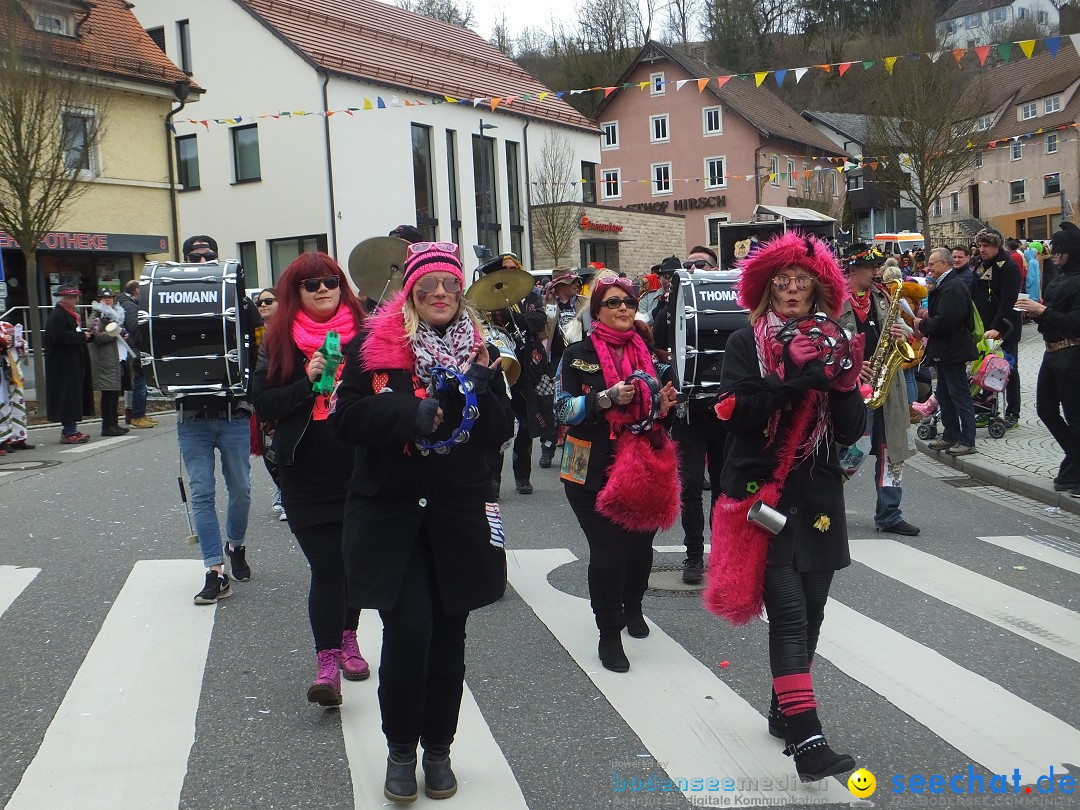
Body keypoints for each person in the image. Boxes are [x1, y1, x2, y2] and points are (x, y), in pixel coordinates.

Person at [329, 242, 514, 803]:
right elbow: (347, 418)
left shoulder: (481, 352)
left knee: (449, 639)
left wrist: (482, 394)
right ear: (409, 293)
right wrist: (407, 413)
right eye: (428, 286)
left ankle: (439, 749)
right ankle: (399, 751)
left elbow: (502, 431)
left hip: (458, 513)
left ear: (462, 294)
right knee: (409, 632)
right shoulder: (374, 347)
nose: (440, 294)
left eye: (450, 287)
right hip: (392, 514)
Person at [706, 231, 865, 783]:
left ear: (819, 289)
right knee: (790, 615)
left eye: (802, 281)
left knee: (814, 611)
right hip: (762, 494)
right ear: (767, 290)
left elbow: (849, 432)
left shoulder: (835, 338)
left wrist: (845, 385)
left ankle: (784, 708)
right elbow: (737, 412)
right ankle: (809, 741)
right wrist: (787, 380)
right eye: (783, 281)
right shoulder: (743, 344)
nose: (793, 289)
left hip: (818, 492)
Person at [252, 253, 370, 706]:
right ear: (295, 292)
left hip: (361, 468)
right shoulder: (278, 341)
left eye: (330, 281)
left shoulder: (367, 336)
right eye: (311, 284)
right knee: (327, 568)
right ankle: (327, 664)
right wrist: (306, 380)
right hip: (305, 473)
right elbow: (262, 401)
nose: (323, 289)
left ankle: (349, 637)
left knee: (352, 563)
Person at [556, 277, 680, 672]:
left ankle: (633, 606)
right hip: (589, 466)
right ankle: (608, 633)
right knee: (609, 552)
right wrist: (605, 398)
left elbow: (666, 415)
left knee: (641, 550)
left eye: (629, 302)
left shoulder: (652, 356)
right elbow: (559, 409)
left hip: (642, 466)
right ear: (597, 312)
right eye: (613, 303)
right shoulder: (576, 355)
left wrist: (664, 404)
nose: (624, 308)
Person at [177, 235, 263, 604]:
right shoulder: (171, 301)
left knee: (241, 489)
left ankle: (237, 545)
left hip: (233, 413)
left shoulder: (240, 300)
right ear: (184, 262)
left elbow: (260, 350)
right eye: (195, 257)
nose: (202, 260)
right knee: (201, 493)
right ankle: (215, 570)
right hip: (192, 415)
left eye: (208, 256)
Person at [839, 258, 919, 536]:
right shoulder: (833, 300)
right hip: (852, 387)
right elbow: (824, 341)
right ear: (853, 270)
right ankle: (825, 502)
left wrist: (902, 334)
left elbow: (908, 333)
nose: (877, 272)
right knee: (855, 449)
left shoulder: (884, 297)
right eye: (871, 268)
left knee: (891, 452)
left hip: (888, 387)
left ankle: (890, 514)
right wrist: (851, 365)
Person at [479, 252, 555, 491]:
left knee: (525, 422)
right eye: (505, 269)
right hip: (500, 364)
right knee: (497, 421)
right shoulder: (485, 296)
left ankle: (523, 475)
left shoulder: (530, 294)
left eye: (514, 268)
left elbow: (539, 318)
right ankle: (493, 479)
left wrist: (517, 318)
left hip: (528, 365)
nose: (510, 272)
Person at [1015, 223, 1080, 495]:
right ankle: (1075, 459)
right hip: (1051, 352)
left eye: (1059, 252)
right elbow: (1051, 316)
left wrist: (1042, 311)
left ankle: (1074, 467)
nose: (1053, 256)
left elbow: (1075, 323)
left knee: (1075, 416)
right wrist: (1035, 313)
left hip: (1073, 353)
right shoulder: (1058, 277)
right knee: (1045, 410)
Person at [914, 247, 979, 455]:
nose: (928, 268)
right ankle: (950, 434)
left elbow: (947, 321)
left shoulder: (953, 287)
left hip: (953, 350)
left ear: (944, 264)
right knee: (944, 394)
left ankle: (967, 440)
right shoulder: (946, 285)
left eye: (932, 264)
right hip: (945, 350)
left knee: (959, 394)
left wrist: (923, 323)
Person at [972, 228, 1022, 429]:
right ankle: (987, 409)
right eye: (980, 245)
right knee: (984, 369)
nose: (981, 249)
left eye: (986, 246)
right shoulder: (981, 265)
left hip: (1005, 328)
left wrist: (996, 327)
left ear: (996, 246)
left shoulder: (1008, 267)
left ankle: (1013, 413)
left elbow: (1008, 301)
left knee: (1009, 368)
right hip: (984, 328)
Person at [253, 287, 287, 522]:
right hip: (262, 397)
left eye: (268, 301)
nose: (262, 305)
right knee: (268, 450)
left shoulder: (289, 331)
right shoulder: (252, 332)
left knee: (283, 447)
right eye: (259, 302)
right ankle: (281, 488)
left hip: (285, 396)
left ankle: (288, 491)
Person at [44, 286, 93, 444]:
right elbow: (59, 337)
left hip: (71, 362)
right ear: (64, 299)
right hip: (62, 365)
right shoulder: (57, 316)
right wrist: (80, 336)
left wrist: (88, 336)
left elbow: (73, 335)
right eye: (73, 298)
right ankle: (68, 431)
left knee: (73, 396)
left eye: (76, 297)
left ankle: (72, 428)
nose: (76, 301)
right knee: (67, 397)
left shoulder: (70, 315)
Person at [87, 289, 131, 437]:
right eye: (104, 298)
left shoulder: (116, 313)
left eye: (110, 297)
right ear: (99, 300)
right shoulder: (97, 314)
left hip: (117, 356)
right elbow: (95, 337)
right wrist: (115, 334)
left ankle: (114, 424)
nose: (108, 300)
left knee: (115, 393)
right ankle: (107, 425)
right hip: (104, 359)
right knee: (108, 393)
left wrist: (123, 333)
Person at [117, 279, 157, 429]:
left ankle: (139, 414)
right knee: (140, 383)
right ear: (137, 290)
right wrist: (145, 341)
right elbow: (135, 326)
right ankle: (138, 416)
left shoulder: (127, 303)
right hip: (135, 348)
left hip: (132, 347)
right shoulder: (129, 305)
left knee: (139, 383)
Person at [0, 319, 33, 452]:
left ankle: (18, 437)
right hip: (3, 373)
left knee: (18, 403)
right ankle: (3, 439)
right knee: (3, 407)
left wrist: (19, 341)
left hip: (14, 371)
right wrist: (3, 341)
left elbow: (22, 344)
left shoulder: (7, 325)